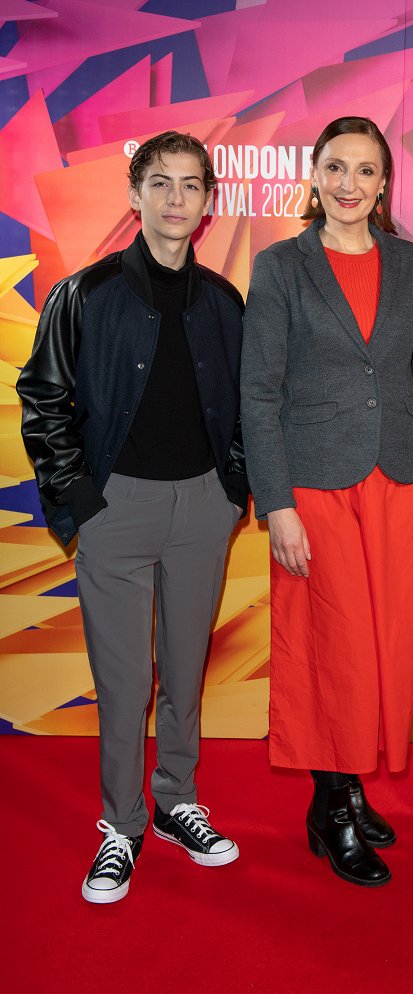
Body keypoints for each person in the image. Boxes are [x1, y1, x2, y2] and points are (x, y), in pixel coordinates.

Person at [17, 131, 248, 904]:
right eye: (160, 183)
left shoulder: (224, 301)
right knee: (124, 684)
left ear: (208, 201)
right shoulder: (83, 293)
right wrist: (80, 500)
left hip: (202, 507)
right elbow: (43, 397)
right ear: (134, 193)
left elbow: (247, 407)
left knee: (184, 673)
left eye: (190, 185)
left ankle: (178, 803)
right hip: (115, 507)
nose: (175, 199)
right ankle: (121, 825)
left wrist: (232, 490)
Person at [241, 116, 413, 887]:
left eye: (365, 170)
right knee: (331, 644)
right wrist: (277, 502)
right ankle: (330, 807)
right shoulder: (280, 265)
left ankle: (350, 785)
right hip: (315, 485)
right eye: (335, 168)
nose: (350, 184)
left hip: (397, 478)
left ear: (384, 182)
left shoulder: (410, 261)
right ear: (315, 176)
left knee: (383, 645)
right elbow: (257, 392)